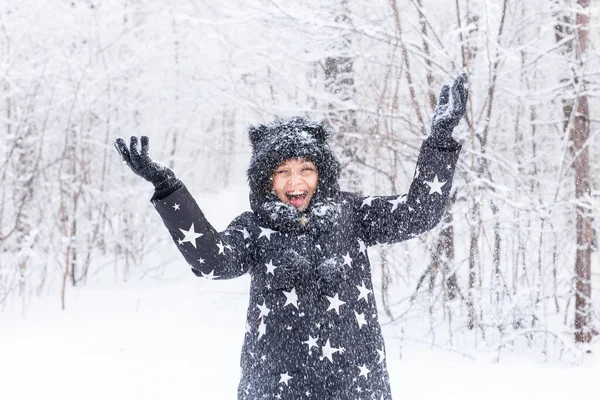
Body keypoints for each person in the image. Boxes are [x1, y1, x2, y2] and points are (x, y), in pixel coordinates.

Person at [114, 73, 468, 400]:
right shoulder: (254, 228)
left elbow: (419, 214)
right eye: (282, 171)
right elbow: (211, 261)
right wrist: (167, 188)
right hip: (273, 387)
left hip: (356, 385)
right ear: (266, 180)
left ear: (322, 174)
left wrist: (439, 142)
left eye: (306, 170)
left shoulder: (354, 214)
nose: (295, 182)